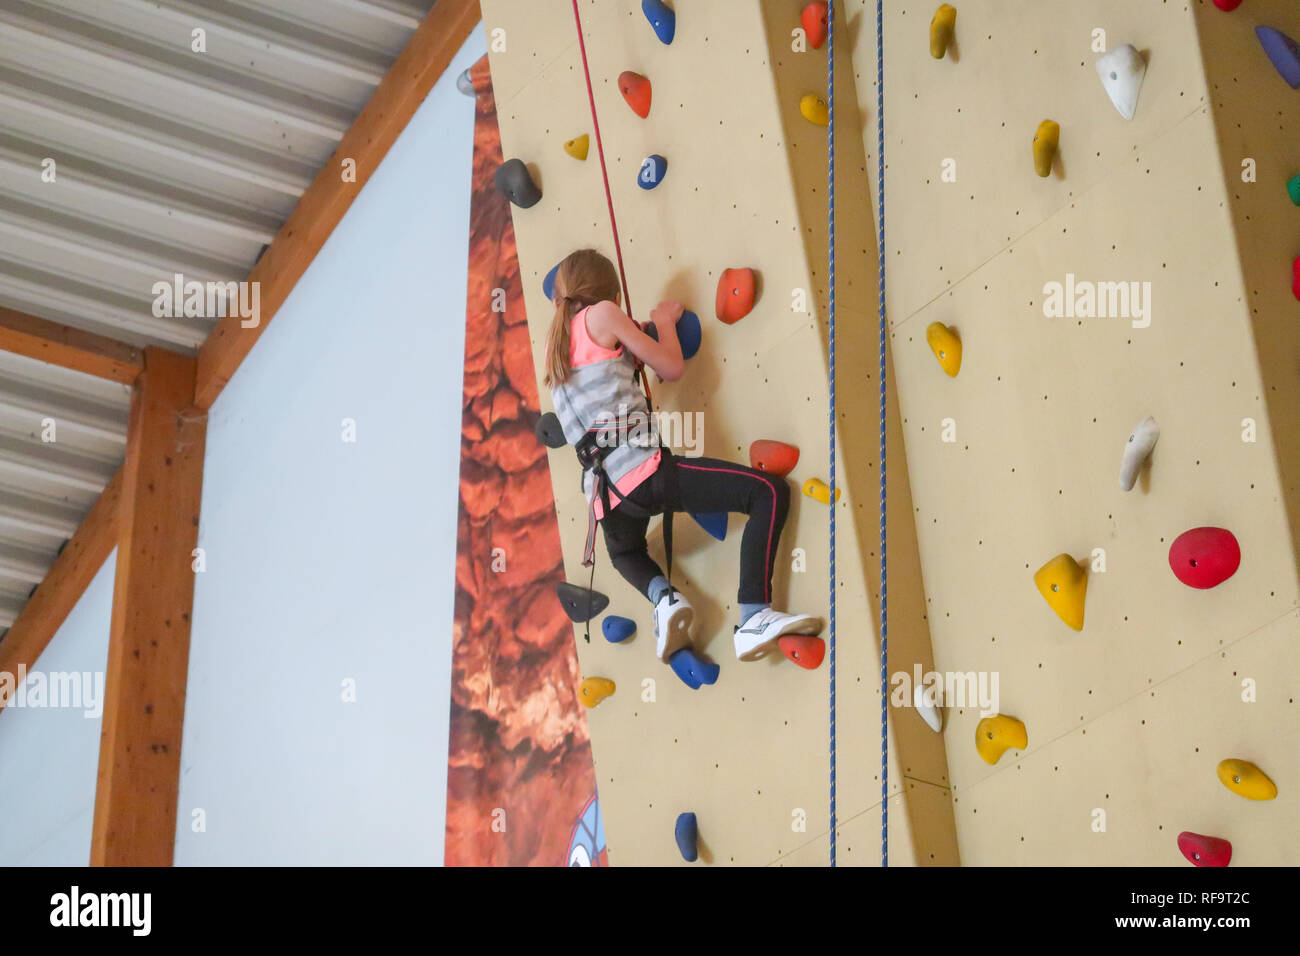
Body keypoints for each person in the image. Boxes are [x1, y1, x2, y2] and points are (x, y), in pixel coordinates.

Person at [542, 249, 823, 665]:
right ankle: (753, 616)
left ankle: (665, 600)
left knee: (625, 554)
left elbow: (612, 369)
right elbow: (670, 366)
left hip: (606, 501)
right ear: (609, 293)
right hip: (645, 471)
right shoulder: (602, 315)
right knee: (767, 492)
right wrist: (667, 323)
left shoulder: (556, 348)